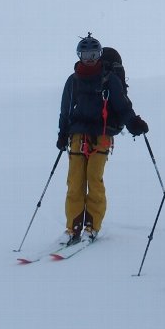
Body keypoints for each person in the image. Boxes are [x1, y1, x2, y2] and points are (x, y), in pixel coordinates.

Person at [56, 34, 148, 246]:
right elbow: (65, 110)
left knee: (94, 180)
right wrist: (62, 134)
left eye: (93, 54)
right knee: (75, 182)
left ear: (99, 55)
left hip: (102, 134)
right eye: (85, 54)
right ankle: (73, 227)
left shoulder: (109, 80)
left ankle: (92, 226)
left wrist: (133, 122)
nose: (89, 59)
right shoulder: (73, 81)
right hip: (77, 135)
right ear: (79, 55)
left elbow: (122, 105)